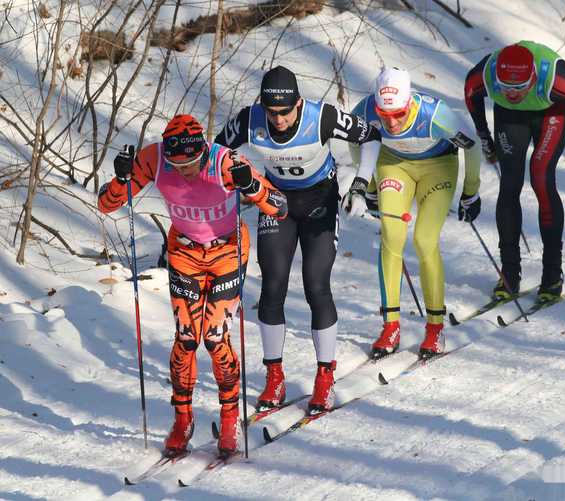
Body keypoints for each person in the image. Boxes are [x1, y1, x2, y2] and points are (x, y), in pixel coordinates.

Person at [98, 114, 287, 457]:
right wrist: (121, 177)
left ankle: (229, 418)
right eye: (176, 164)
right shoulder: (154, 159)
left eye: (190, 163)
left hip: (227, 250)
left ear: (202, 150)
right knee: (186, 338)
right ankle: (182, 419)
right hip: (184, 253)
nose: (184, 170)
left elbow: (280, 207)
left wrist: (251, 187)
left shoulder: (225, 162)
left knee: (215, 338)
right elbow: (107, 204)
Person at [214, 66, 382, 414]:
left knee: (315, 285)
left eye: (284, 112)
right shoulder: (249, 120)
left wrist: (362, 184)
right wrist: (236, 173)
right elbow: (215, 151)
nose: (277, 120)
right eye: (271, 112)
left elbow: (371, 135)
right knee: (271, 287)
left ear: (298, 103)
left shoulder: (321, 117)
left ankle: (325, 377)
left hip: (320, 202)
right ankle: (274, 377)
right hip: (276, 204)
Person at [343, 67, 481, 360]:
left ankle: (435, 326)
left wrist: (471, 190)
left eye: (399, 114)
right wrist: (367, 185)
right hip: (394, 165)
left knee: (424, 240)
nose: (391, 122)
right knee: (392, 236)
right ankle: (390, 325)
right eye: (384, 115)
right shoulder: (366, 109)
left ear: (409, 103)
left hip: (438, 166)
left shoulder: (435, 114)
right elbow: (356, 142)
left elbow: (472, 146)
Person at [464, 41, 565, 302]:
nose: (512, 93)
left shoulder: (557, 79)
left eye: (518, 87)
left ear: (532, 78)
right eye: (505, 87)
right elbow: (470, 92)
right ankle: (509, 273)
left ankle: (552, 274)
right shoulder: (486, 75)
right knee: (509, 184)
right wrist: (484, 136)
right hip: (510, 118)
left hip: (551, 111)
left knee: (540, 177)